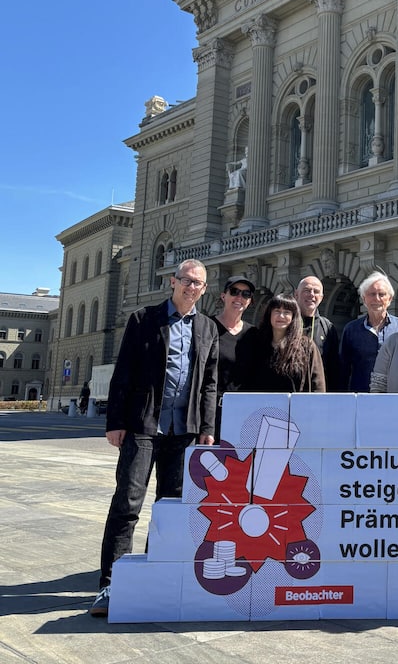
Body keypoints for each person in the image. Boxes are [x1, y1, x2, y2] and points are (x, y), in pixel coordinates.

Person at [89, 259, 218, 618]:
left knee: (169, 509)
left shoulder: (207, 327)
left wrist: (207, 427)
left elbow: (209, 383)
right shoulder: (144, 319)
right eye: (186, 280)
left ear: (204, 289)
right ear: (173, 282)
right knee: (127, 504)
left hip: (184, 431)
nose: (191, 287)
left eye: (198, 283)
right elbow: (124, 371)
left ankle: (154, 576)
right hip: (143, 426)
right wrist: (115, 421)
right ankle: (110, 584)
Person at [243, 295, 325, 392]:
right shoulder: (256, 342)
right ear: (269, 314)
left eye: (287, 312)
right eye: (277, 311)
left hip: (294, 401)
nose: (281, 316)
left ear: (293, 317)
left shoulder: (306, 346)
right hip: (261, 401)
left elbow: (318, 385)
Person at [338, 271, 398, 391]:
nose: (376, 299)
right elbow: (343, 370)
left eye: (381, 294)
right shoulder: (351, 330)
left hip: (394, 396)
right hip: (361, 396)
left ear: (390, 299)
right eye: (372, 294)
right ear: (364, 298)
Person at [213, 274, 255, 441]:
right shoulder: (207, 327)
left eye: (246, 294)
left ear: (249, 301)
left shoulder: (253, 334)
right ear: (224, 296)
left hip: (244, 415)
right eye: (234, 292)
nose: (239, 297)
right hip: (211, 413)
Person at [294, 275, 340, 389]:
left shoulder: (328, 328)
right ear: (296, 294)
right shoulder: (287, 323)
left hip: (318, 392)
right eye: (307, 290)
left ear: (321, 297)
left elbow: (334, 369)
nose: (312, 295)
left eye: (316, 291)